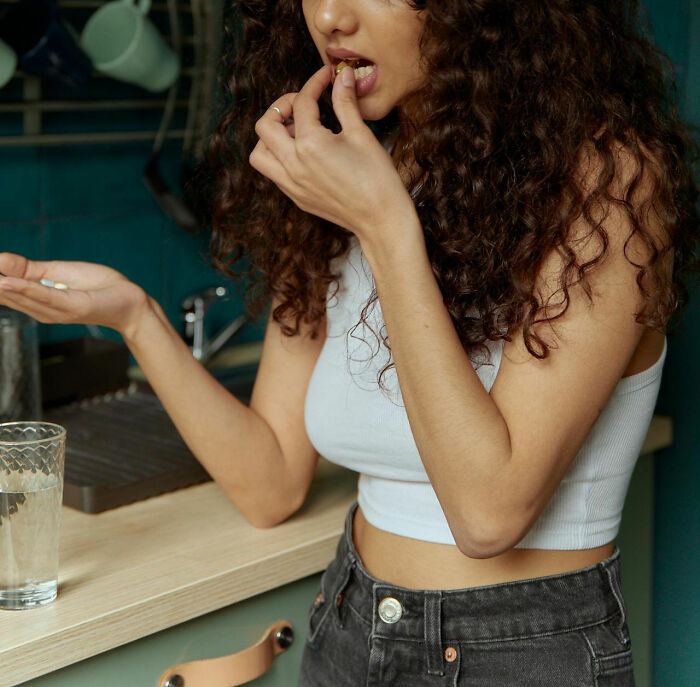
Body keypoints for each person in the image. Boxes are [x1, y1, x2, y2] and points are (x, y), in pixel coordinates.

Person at [1, 0, 698, 684]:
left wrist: (386, 226)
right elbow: (270, 480)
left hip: (520, 651)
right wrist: (137, 317)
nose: (331, 17)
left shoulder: (608, 185)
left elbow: (489, 512)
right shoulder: (346, 177)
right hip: (347, 624)